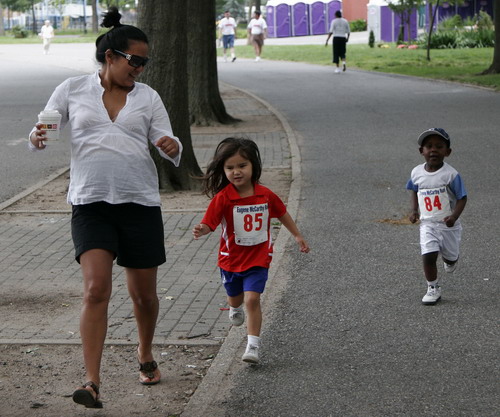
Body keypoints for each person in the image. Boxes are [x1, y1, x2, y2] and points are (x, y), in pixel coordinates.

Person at [28, 7, 182, 408]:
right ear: (111, 56)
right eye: (136, 61)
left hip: (140, 204)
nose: (141, 70)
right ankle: (92, 382)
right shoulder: (72, 89)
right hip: (90, 202)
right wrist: (37, 135)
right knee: (96, 290)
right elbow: (44, 127)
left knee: (143, 297)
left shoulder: (148, 97)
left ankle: (145, 354)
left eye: (145, 62)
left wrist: (171, 146)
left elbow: (171, 142)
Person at [192, 138, 310, 364]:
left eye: (242, 166)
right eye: (230, 168)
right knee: (235, 298)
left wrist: (296, 235)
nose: (236, 172)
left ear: (253, 166)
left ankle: (252, 346)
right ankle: (233, 308)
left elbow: (282, 213)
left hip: (258, 258)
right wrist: (202, 229)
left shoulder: (265, 195)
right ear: (223, 170)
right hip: (230, 260)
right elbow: (210, 222)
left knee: (253, 299)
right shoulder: (223, 198)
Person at [406, 128, 467, 305]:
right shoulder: (416, 172)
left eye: (439, 146)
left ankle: (451, 259)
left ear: (447, 152)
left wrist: (454, 217)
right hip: (428, 224)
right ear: (421, 151)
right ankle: (433, 287)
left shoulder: (451, 175)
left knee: (449, 256)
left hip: (448, 225)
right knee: (428, 255)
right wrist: (414, 211)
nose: (433, 150)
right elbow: (414, 190)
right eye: (429, 146)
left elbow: (462, 197)